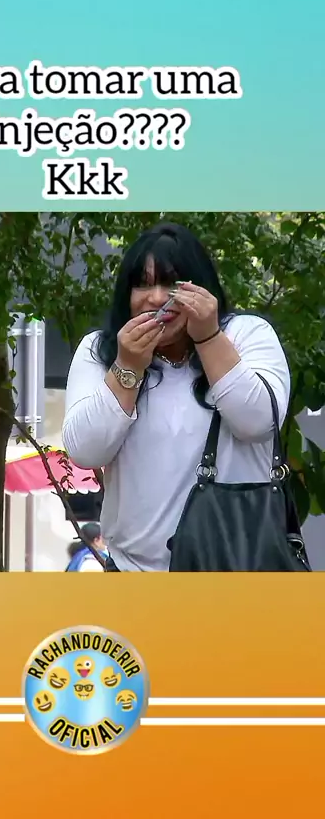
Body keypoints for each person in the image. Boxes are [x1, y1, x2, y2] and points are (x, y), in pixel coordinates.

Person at [62, 221, 291, 572]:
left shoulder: (247, 334)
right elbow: (85, 451)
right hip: (133, 576)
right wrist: (127, 366)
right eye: (142, 284)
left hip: (235, 572)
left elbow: (258, 422)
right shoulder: (100, 350)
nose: (156, 298)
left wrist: (208, 337)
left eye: (171, 283)